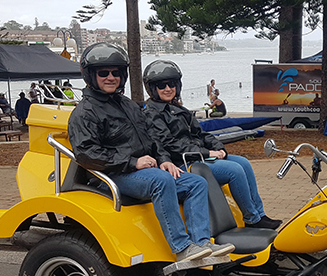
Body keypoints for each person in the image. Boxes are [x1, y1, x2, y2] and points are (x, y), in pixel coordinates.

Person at [67, 43, 234, 262]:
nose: (111, 77)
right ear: (91, 75)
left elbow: (151, 136)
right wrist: (133, 162)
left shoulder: (127, 104)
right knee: (161, 181)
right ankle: (182, 247)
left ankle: (201, 243)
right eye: (103, 73)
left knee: (196, 183)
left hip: (141, 170)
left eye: (116, 72)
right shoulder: (84, 112)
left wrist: (164, 159)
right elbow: (86, 153)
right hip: (113, 173)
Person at [142, 60, 281, 230]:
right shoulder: (152, 114)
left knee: (243, 162)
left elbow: (201, 133)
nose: (167, 88)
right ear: (153, 89)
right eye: (162, 85)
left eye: (171, 84)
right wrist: (207, 153)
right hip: (182, 164)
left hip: (197, 156)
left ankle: (260, 214)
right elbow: (169, 145)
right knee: (234, 170)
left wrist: (218, 147)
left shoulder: (180, 110)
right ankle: (252, 219)